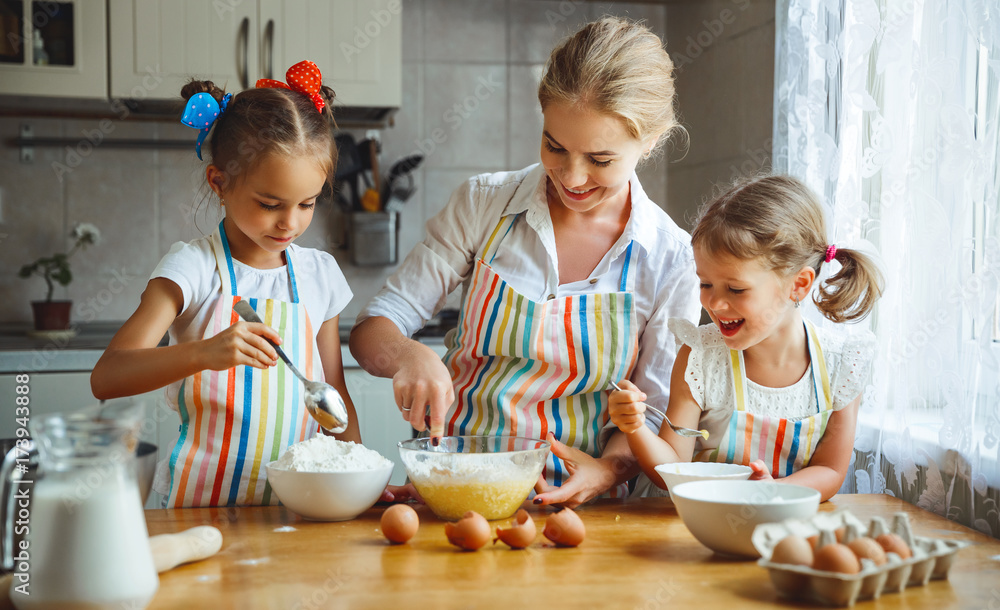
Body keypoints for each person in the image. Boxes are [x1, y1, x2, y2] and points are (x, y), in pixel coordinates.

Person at [350, 17, 701, 508]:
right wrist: (409, 354)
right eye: (555, 146)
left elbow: (655, 412)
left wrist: (606, 470)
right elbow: (371, 331)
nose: (572, 177)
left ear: (649, 143)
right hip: (457, 492)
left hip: (580, 509)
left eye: (600, 159)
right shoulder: (483, 203)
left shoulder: (671, 257)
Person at [91, 61, 360, 507]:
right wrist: (204, 353)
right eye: (270, 203)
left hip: (301, 508)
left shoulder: (320, 274)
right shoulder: (192, 268)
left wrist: (358, 477)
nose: (289, 223)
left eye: (307, 204)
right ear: (220, 182)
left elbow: (334, 395)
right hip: (201, 509)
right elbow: (107, 377)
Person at [609, 175, 885, 502]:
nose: (714, 303)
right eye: (705, 284)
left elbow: (830, 470)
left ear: (798, 284)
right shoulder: (700, 356)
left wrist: (772, 492)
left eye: (736, 289)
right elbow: (671, 465)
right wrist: (636, 428)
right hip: (694, 526)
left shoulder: (841, 366)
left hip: (780, 526)